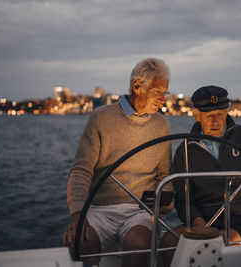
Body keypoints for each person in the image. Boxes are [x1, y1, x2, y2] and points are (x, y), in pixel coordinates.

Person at [63, 58, 174, 267]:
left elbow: (164, 175)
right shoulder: (101, 118)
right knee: (80, 242)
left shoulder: (162, 125)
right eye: (159, 91)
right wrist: (77, 215)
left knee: (139, 242)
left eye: (165, 93)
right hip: (98, 209)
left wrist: (165, 200)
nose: (163, 100)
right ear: (137, 86)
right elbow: (81, 170)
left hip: (139, 211)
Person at [161, 85, 241, 266]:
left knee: (223, 240)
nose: (216, 121)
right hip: (205, 221)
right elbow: (183, 199)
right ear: (196, 115)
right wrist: (199, 224)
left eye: (220, 114)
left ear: (227, 111)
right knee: (168, 242)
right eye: (209, 115)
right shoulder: (186, 151)